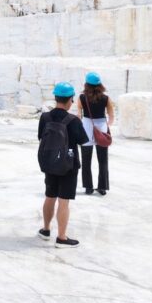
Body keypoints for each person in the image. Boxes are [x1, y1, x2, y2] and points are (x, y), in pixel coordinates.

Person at [37, 82, 89, 249]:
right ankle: (61, 237)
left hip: (50, 163)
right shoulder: (73, 120)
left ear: (56, 97)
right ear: (70, 100)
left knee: (50, 196)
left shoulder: (45, 117)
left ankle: (45, 230)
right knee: (64, 201)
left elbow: (40, 137)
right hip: (69, 165)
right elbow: (83, 140)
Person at [77, 72, 115, 195]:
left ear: (86, 84)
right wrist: (107, 125)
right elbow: (111, 115)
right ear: (100, 84)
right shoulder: (106, 98)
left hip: (87, 126)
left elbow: (78, 115)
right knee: (103, 160)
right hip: (102, 127)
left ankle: (88, 187)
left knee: (86, 159)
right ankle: (102, 187)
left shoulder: (82, 97)